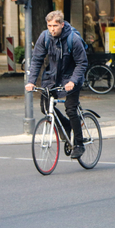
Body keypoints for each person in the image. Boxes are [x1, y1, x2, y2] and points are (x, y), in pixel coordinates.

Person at [25, 11, 89, 159]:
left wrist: (73, 81)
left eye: (55, 25)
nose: (52, 29)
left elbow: (82, 63)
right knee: (46, 107)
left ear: (62, 24)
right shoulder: (45, 37)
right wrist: (31, 81)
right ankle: (66, 126)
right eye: (49, 26)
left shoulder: (73, 39)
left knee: (71, 109)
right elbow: (36, 60)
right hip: (52, 78)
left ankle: (79, 144)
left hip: (72, 77)